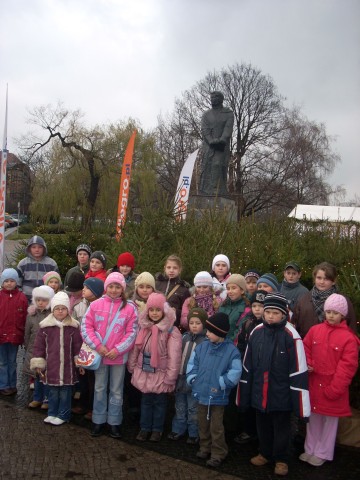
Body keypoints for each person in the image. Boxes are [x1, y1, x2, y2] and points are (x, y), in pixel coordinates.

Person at [239, 293, 310, 477]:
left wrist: (300, 404)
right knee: (262, 425)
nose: (270, 316)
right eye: (267, 311)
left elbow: (298, 370)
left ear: (284, 314)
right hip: (259, 392)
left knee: (282, 428)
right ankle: (265, 452)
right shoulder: (257, 332)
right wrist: (244, 394)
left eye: (275, 313)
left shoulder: (291, 336)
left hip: (281, 394)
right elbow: (248, 364)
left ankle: (281, 458)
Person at [301, 294, 359, 467]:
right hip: (314, 384)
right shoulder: (315, 330)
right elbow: (305, 347)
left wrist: (335, 388)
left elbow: (347, 367)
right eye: (328, 312)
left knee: (330, 423)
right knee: (313, 419)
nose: (331, 315)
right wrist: (309, 364)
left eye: (335, 312)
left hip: (333, 387)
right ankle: (310, 448)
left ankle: (323, 452)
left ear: (343, 315)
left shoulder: (349, 338)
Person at [81, 272, 138, 439]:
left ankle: (114, 421)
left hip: (118, 357)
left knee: (116, 390)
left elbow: (132, 332)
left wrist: (118, 349)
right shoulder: (96, 305)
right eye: (111, 286)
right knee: (99, 388)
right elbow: (86, 327)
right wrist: (98, 346)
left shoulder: (130, 308)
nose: (114, 290)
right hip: (101, 355)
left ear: (123, 289)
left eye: (117, 287)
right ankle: (98, 419)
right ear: (106, 287)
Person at [187, 312, 242, 468]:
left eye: (210, 331)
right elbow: (193, 364)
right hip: (201, 392)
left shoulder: (231, 351)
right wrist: (193, 378)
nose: (207, 333)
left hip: (217, 395)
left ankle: (218, 452)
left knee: (216, 427)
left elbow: (235, 371)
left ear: (220, 333)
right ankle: (205, 447)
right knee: (202, 423)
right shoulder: (202, 347)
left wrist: (222, 383)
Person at [128, 292, 182, 442]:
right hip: (144, 370)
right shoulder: (144, 327)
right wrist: (132, 366)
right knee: (145, 401)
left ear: (164, 311)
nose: (155, 313)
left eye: (158, 310)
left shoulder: (171, 331)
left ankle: (157, 429)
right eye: (152, 310)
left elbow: (174, 356)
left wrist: (170, 377)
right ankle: (145, 427)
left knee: (159, 403)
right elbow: (136, 348)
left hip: (161, 373)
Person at [30, 292, 82, 426]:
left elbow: (77, 346)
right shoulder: (45, 327)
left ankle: (63, 415)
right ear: (53, 309)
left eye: (63, 308)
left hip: (67, 367)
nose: (60, 311)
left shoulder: (73, 326)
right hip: (52, 366)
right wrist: (38, 363)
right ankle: (52, 413)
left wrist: (79, 362)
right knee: (52, 392)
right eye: (57, 308)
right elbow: (39, 346)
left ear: (68, 310)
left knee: (65, 393)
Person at [168, 307, 207, 443]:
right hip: (180, 378)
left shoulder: (206, 341)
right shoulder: (184, 337)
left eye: (198, 323)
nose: (194, 326)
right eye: (192, 323)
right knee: (179, 406)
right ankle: (178, 429)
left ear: (204, 324)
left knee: (193, 409)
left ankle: (193, 433)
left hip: (194, 382)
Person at [234, 289, 267, 444]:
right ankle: (247, 429)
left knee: (259, 401)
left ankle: (260, 433)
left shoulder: (268, 326)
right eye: (254, 305)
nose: (257, 309)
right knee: (246, 398)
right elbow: (241, 343)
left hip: (262, 370)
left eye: (261, 306)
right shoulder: (247, 322)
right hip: (247, 367)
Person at [292, 262, 357, 339]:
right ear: (314, 278)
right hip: (308, 346)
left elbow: (351, 327)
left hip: (335, 346)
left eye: (326, 279)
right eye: (319, 278)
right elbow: (295, 325)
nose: (322, 282)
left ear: (333, 281)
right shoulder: (304, 300)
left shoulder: (343, 301)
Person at [72, 277, 104, 419]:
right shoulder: (79, 305)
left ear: (95, 291)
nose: (83, 289)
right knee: (83, 376)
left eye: (87, 288)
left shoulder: (102, 306)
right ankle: (83, 404)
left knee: (94, 380)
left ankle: (92, 407)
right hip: (81, 345)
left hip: (95, 346)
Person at [23, 285, 55, 409]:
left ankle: (47, 399)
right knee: (37, 375)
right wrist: (27, 347)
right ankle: (37, 398)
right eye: (38, 300)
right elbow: (27, 333)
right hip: (34, 349)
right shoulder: (31, 315)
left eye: (44, 300)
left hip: (48, 350)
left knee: (46, 376)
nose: (40, 303)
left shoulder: (52, 314)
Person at [199, 91, 234, 196]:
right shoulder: (206, 115)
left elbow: (228, 128)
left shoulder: (228, 113)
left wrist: (222, 139)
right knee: (206, 166)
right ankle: (205, 191)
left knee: (218, 164)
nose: (213, 99)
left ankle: (217, 189)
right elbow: (204, 129)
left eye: (215, 97)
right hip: (208, 145)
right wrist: (210, 140)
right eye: (212, 97)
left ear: (221, 99)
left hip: (221, 146)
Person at [0, 268, 28, 396]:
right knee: (2, 362)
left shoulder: (21, 297)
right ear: (2, 283)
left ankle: (12, 384)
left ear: (16, 282)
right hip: (1, 335)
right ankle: (4, 385)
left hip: (15, 336)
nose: (9, 283)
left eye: (12, 281)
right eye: (6, 281)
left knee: (12, 361)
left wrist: (23, 335)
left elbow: (25, 318)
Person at [17, 235, 59, 302]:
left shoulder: (51, 264)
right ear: (29, 249)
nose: (37, 250)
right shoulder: (23, 264)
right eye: (34, 247)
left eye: (40, 247)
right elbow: (17, 284)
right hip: (26, 300)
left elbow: (58, 284)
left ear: (44, 248)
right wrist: (21, 297)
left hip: (46, 301)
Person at [155, 254, 190, 326]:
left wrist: (176, 311)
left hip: (172, 325)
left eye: (175, 268)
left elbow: (186, 311)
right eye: (169, 267)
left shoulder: (184, 289)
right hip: (155, 322)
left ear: (180, 270)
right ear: (164, 268)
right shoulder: (157, 284)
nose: (171, 270)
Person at [219, 274, 250, 341]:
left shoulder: (246, 308)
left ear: (242, 290)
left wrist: (228, 344)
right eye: (228, 288)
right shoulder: (224, 305)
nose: (230, 291)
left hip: (231, 345)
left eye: (234, 288)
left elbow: (239, 331)